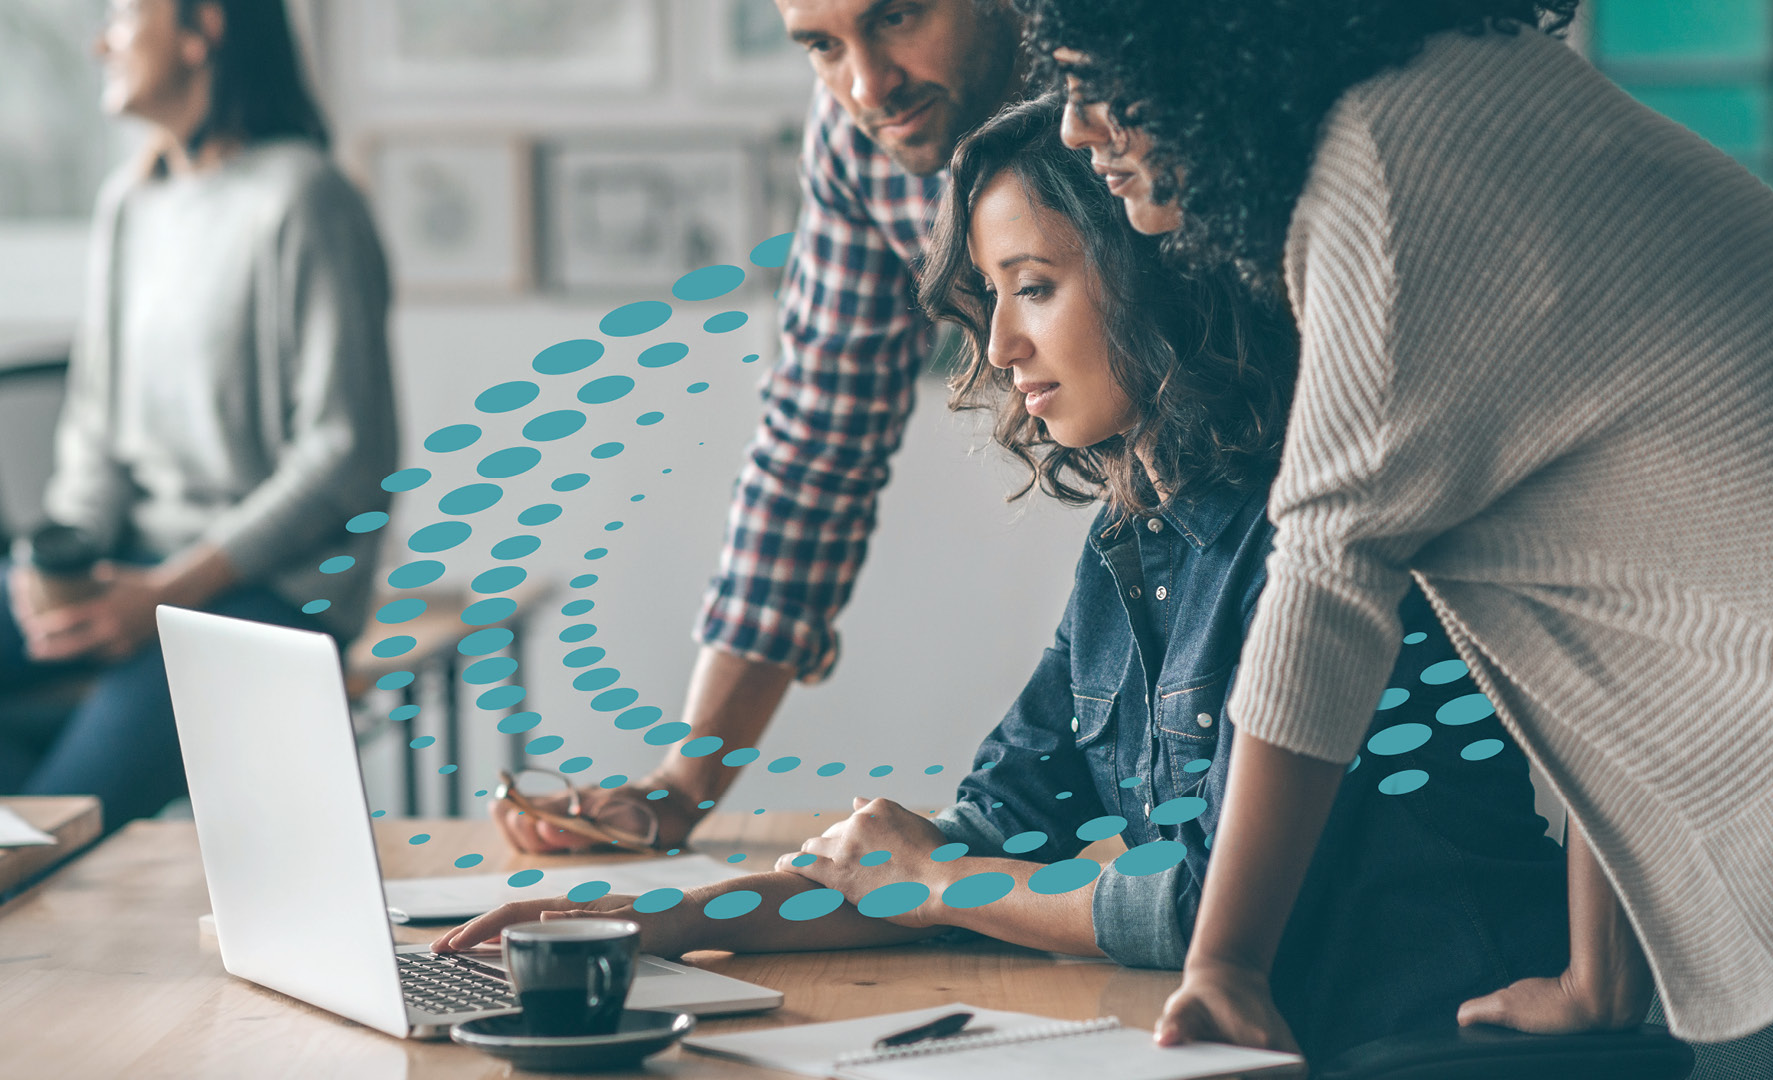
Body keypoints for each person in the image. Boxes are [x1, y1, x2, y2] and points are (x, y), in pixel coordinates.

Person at [440, 96, 1568, 1063]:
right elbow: (979, 846)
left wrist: (934, 879)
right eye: (989, 303)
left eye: (1033, 287)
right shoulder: (1133, 541)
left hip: (1422, 1051)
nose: (1000, 348)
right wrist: (652, 928)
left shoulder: (1308, 538)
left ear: (1156, 269)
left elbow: (1193, 908)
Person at [1022, 1, 1773, 1075]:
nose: (1076, 127)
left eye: (1099, 77)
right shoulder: (1472, 94)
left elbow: (1324, 589)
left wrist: (1227, 967)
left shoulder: (1388, 181)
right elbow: (1603, 604)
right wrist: (1602, 981)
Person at [492, 0, 1032, 855]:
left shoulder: (1139, 83)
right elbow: (818, 440)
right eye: (822, 45)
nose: (867, 85)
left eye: (895, 17)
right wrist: (680, 790)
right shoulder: (864, 134)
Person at [0, 0, 396, 832]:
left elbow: (345, 456)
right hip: (131, 566)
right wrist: (60, 564)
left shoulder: (307, 198)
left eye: (120, 17)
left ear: (201, 30)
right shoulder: (131, 203)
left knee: (49, 821)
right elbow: (96, 424)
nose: (99, 40)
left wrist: (166, 591)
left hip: (265, 597)